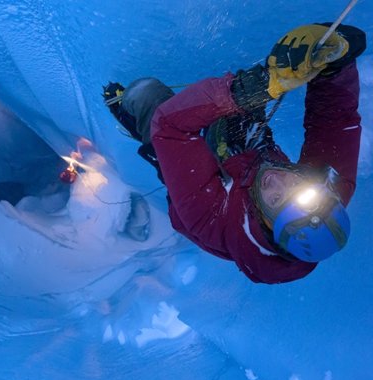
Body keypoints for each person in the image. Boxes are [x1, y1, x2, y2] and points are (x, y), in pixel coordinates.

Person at [103, 23, 366, 284]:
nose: (277, 180)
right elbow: (334, 122)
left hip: (207, 189)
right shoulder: (327, 193)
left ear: (266, 223)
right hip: (250, 156)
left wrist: (248, 89)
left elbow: (170, 126)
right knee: (243, 112)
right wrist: (336, 59)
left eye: (275, 200)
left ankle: (129, 113)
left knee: (146, 94)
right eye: (297, 186)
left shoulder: (209, 217)